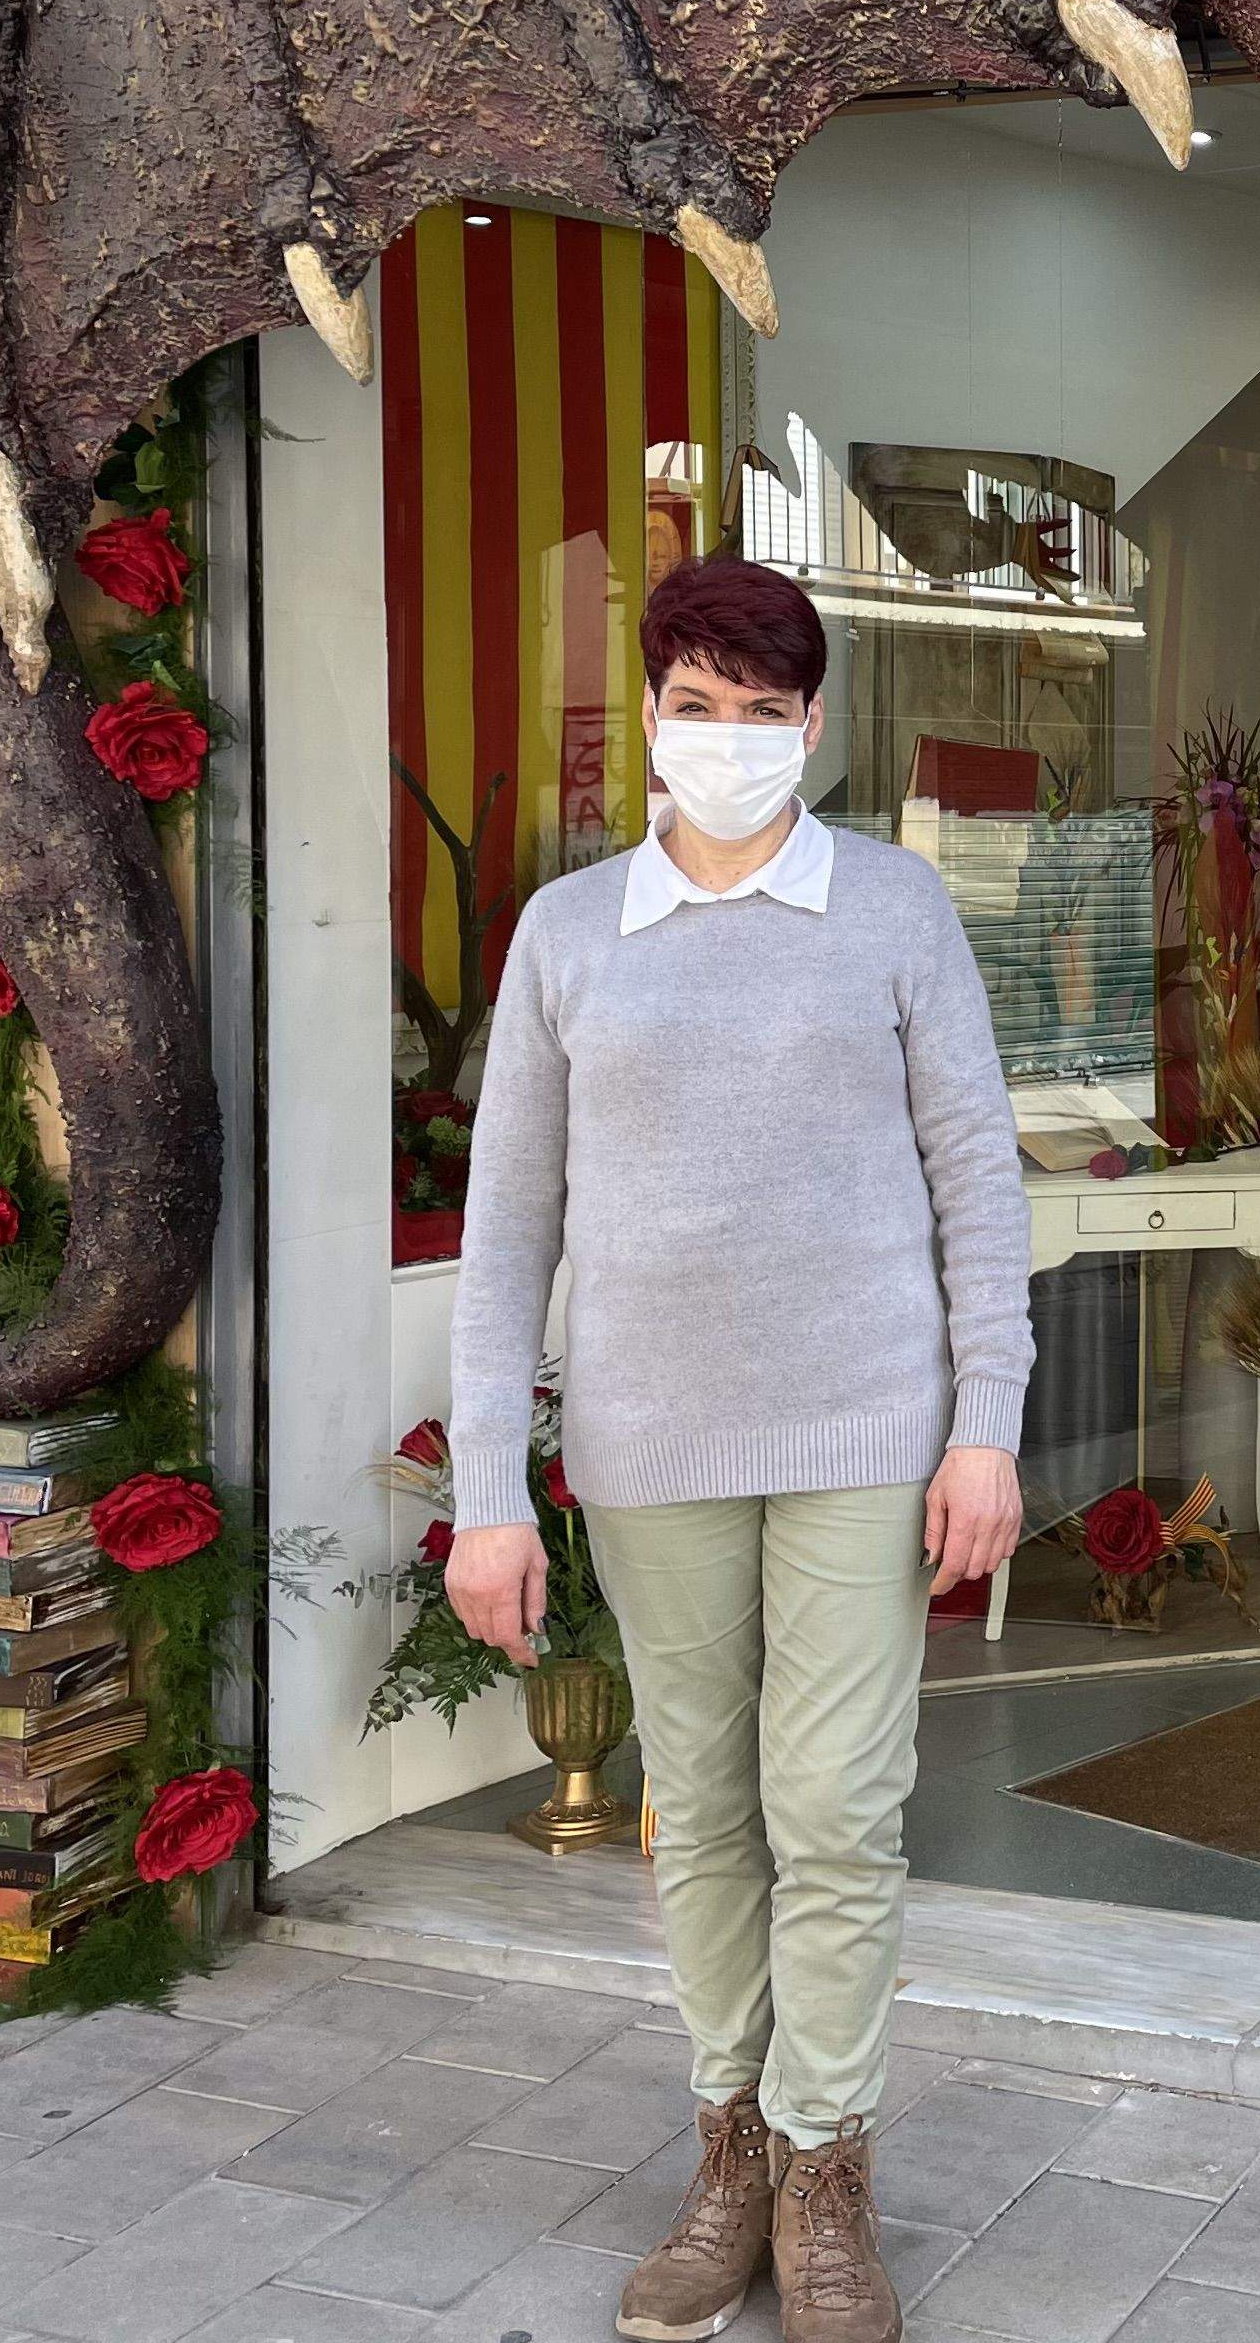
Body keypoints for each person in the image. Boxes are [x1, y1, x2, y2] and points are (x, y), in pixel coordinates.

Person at [444, 550, 1033, 2343]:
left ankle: (827, 2169)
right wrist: (488, 1494)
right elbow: (505, 1233)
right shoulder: (567, 936)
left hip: (866, 1434)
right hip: (650, 1445)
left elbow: (977, 1180)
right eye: (694, 705)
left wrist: (986, 1428)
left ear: (813, 725)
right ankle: (733, 2157)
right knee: (700, 1814)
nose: (725, 737)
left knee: (836, 1813)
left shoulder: (895, 911)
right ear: (649, 713)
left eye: (761, 710)